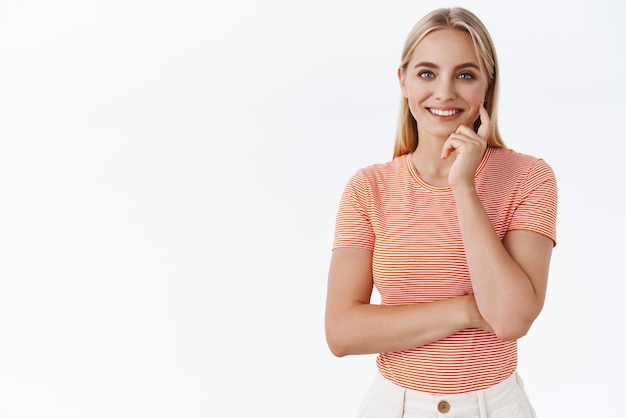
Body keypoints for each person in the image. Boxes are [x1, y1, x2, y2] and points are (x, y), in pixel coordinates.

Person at [324, 7, 557, 418]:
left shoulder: (529, 177)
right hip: (392, 407)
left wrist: (464, 187)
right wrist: (465, 310)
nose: (444, 92)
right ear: (403, 81)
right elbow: (342, 332)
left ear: (488, 85)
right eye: (427, 73)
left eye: (465, 75)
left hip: (495, 407)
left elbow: (509, 319)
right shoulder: (368, 188)